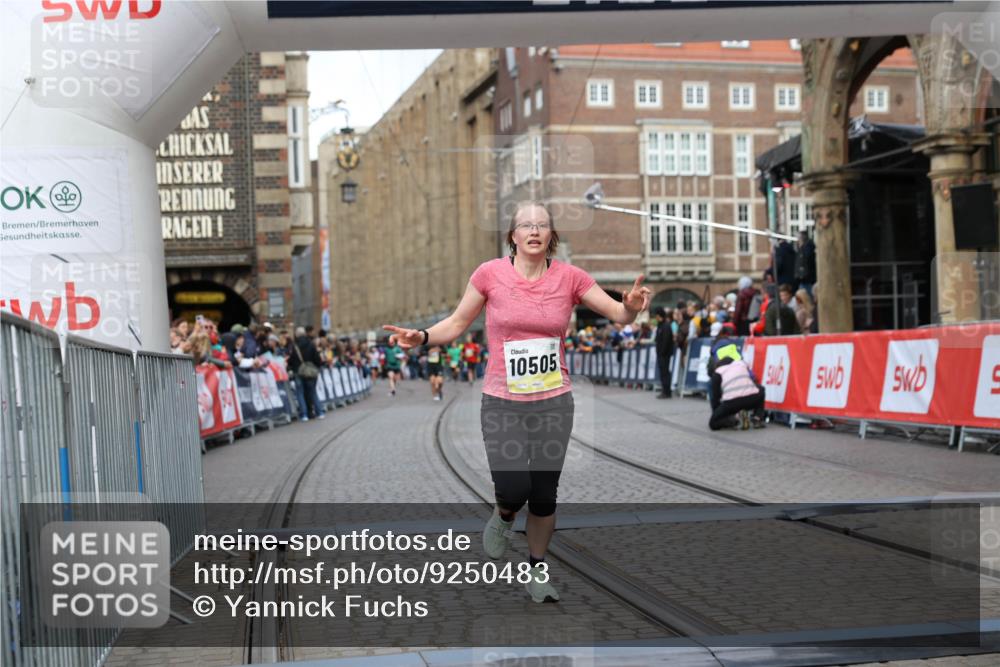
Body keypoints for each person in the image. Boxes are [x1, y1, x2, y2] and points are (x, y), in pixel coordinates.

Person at [383, 201, 651, 604]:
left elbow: (617, 312)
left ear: (551, 235)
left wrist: (629, 308)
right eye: (526, 224)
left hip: (554, 401)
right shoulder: (489, 275)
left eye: (542, 225)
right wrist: (421, 337)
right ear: (512, 234)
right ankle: (505, 513)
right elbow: (457, 323)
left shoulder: (571, 277)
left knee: (544, 495)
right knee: (513, 487)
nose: (534, 230)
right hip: (503, 400)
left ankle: (536, 569)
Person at [709, 351, 766, 430]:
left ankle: (735, 421)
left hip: (732, 403)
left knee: (713, 423)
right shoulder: (741, 364)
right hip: (752, 399)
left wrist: (717, 413)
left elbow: (715, 396)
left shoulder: (718, 372)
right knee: (761, 389)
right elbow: (752, 379)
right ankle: (758, 418)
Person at [289, 326, 325, 421]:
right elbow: (317, 359)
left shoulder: (295, 346)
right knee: (313, 392)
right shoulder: (311, 344)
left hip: (298, 371)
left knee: (300, 393)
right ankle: (319, 412)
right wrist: (317, 366)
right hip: (310, 371)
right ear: (305, 334)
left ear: (296, 335)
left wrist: (291, 367)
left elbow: (291, 360)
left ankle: (304, 414)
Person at [653, 307, 674, 399]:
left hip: (664, 354)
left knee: (665, 373)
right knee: (662, 373)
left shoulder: (666, 326)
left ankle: (667, 391)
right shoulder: (660, 325)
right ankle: (664, 390)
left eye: (656, 316)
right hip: (660, 354)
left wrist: (662, 352)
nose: (655, 317)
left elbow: (666, 341)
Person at [794, 230, 817, 296]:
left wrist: (801, 248)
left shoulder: (808, 247)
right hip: (804, 279)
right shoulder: (805, 247)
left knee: (807, 295)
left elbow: (805, 260)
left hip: (807, 278)